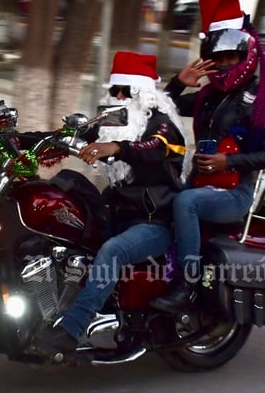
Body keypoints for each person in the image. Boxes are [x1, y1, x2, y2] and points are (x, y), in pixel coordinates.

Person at [34, 51, 192, 357]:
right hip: (119, 213)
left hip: (155, 221)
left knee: (113, 251)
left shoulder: (161, 124)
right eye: (114, 90)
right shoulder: (114, 122)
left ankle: (71, 330)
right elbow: (70, 135)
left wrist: (117, 147)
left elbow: (154, 149)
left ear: (144, 94)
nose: (119, 96)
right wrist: (23, 141)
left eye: (125, 91)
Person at [150, 0, 265, 313]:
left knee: (186, 202)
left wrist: (228, 161)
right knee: (152, 196)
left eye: (230, 59)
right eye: (218, 60)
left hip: (236, 193)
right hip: (199, 182)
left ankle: (188, 285)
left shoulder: (258, 100)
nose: (224, 66)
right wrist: (178, 82)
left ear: (245, 56)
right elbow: (164, 108)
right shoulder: (209, 96)